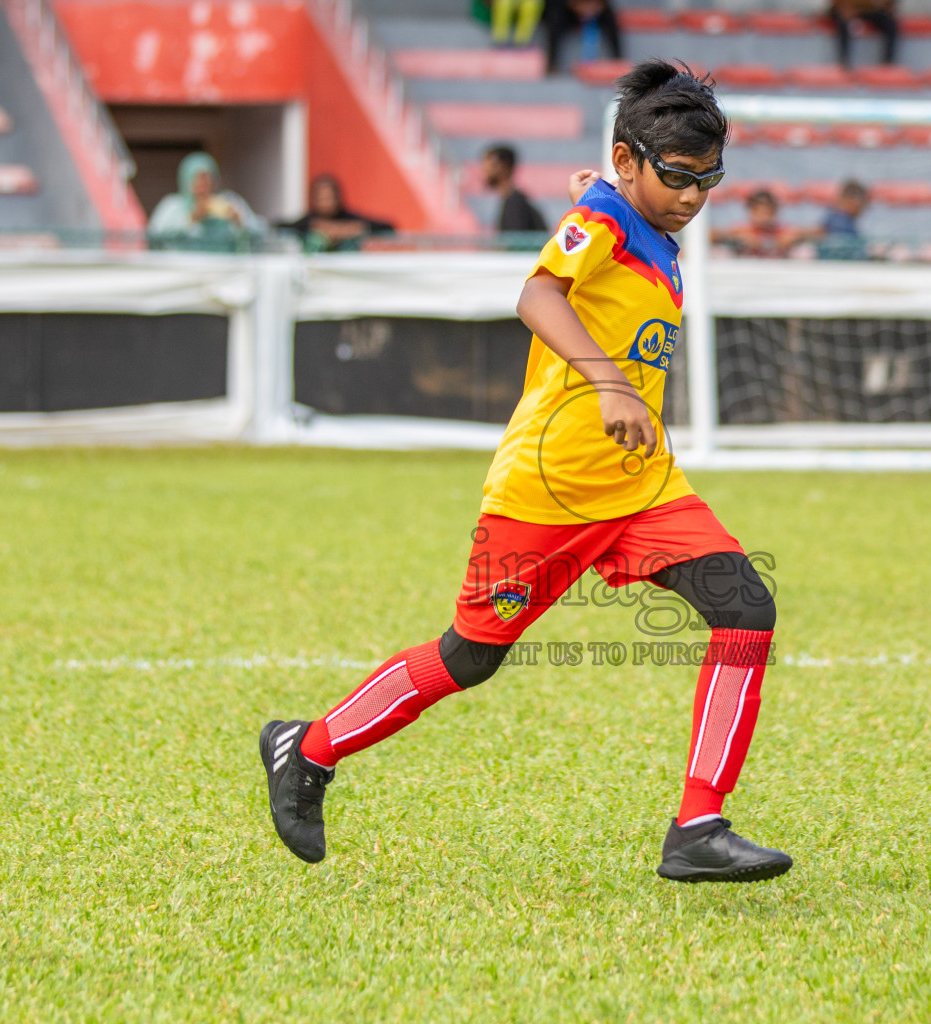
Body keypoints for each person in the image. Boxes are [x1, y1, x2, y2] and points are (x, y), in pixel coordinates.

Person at [258, 59, 792, 885]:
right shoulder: (606, 216)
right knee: (471, 656)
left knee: (746, 609)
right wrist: (611, 377)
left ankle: (697, 824)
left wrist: (612, 194)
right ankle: (309, 748)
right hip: (544, 493)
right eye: (677, 177)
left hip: (643, 488)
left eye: (707, 179)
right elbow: (538, 295)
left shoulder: (633, 213)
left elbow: (615, 222)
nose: (692, 197)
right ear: (627, 159)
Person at [146, 152, 266, 252]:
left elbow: (260, 232)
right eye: (199, 181)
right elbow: (154, 235)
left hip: (225, 270)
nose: (204, 187)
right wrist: (190, 220)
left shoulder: (230, 201)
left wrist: (240, 222)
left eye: (208, 181)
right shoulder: (173, 205)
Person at [276, 174, 393, 253]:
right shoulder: (309, 221)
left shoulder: (349, 219)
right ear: (314, 200)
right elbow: (279, 227)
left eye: (330, 198)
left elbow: (387, 226)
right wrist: (317, 227)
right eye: (322, 199)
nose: (327, 203)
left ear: (338, 198)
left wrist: (349, 229)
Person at [713, 190, 801, 259]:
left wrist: (794, 238)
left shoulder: (783, 231)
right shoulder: (741, 230)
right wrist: (737, 238)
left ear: (775, 211)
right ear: (751, 211)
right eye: (760, 212)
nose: (764, 217)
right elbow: (710, 235)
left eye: (768, 212)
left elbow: (807, 232)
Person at [483, 144, 548, 234]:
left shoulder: (515, 203)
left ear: (503, 167)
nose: (484, 171)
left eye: (490, 165)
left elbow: (514, 244)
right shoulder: (512, 200)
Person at [544, 0, 622, 75]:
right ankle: (552, 63)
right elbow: (554, 38)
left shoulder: (606, 12)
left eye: (593, 6)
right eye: (585, 6)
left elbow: (614, 37)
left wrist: (617, 61)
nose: (589, 11)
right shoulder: (558, 11)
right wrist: (552, 64)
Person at [829, 0, 899, 68]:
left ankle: (888, 61)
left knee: (890, 23)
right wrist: (846, 9)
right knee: (843, 23)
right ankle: (843, 60)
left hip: (866, 9)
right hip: (843, 8)